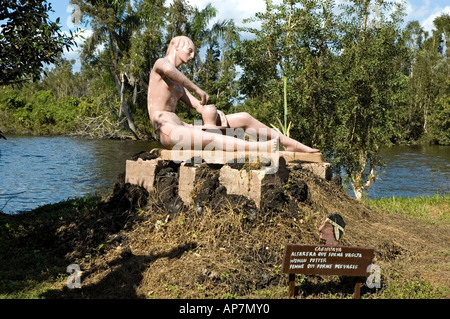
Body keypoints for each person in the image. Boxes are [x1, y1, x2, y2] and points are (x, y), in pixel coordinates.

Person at [147, 35, 319, 154]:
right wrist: (197, 89)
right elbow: (170, 70)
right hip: (167, 130)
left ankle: (292, 145)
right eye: (190, 51)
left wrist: (214, 112)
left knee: (243, 117)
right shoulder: (160, 64)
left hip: (183, 126)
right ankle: (260, 148)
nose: (192, 56)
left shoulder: (179, 86)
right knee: (208, 138)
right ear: (176, 46)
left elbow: (199, 107)